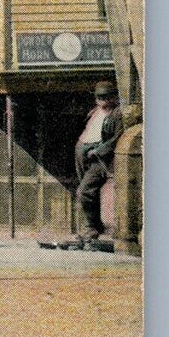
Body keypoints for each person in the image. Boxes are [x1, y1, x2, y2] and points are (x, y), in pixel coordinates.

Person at [75, 80, 124, 250]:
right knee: (87, 191)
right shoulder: (94, 112)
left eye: (105, 97)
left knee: (84, 191)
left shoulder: (117, 114)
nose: (101, 100)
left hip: (99, 159)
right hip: (83, 154)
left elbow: (117, 138)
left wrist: (99, 150)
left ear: (113, 97)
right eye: (98, 97)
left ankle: (92, 228)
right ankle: (92, 229)